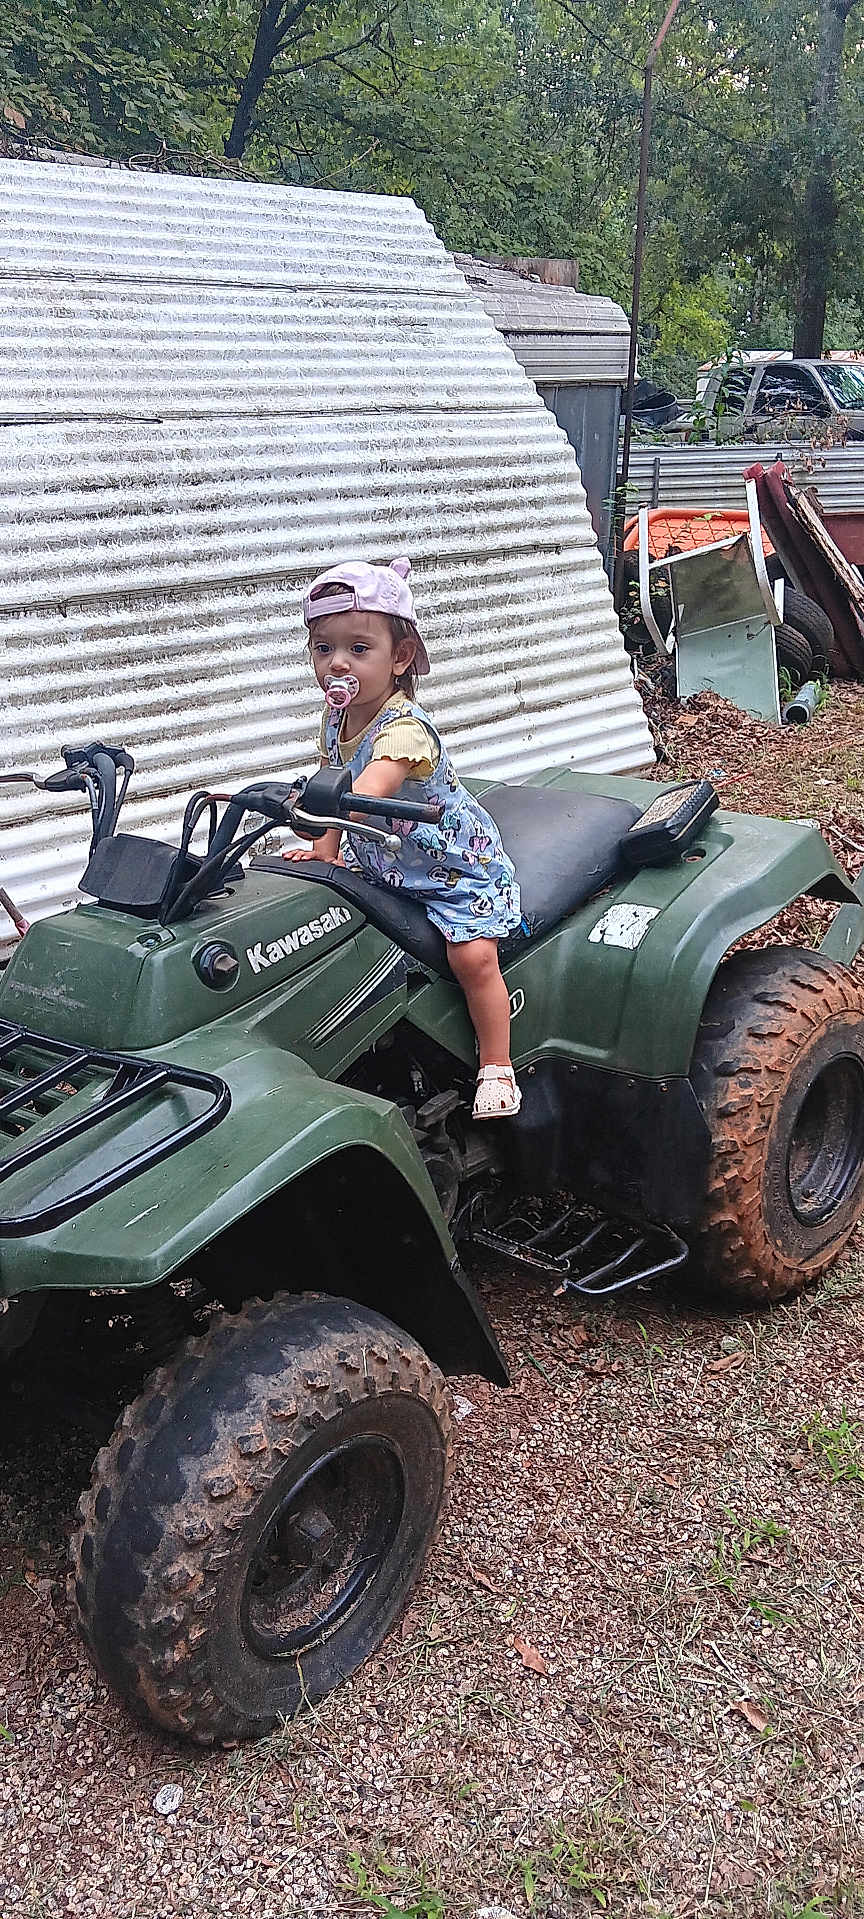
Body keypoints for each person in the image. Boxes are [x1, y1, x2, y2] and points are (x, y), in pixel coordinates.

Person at [284, 556, 522, 1119]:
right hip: (390, 860)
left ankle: (497, 1066)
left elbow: (363, 794)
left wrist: (318, 818)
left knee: (472, 958)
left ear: (401, 658)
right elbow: (330, 779)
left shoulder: (405, 730)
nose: (336, 664)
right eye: (324, 648)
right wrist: (324, 855)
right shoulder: (336, 719)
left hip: (449, 866)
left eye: (357, 649)